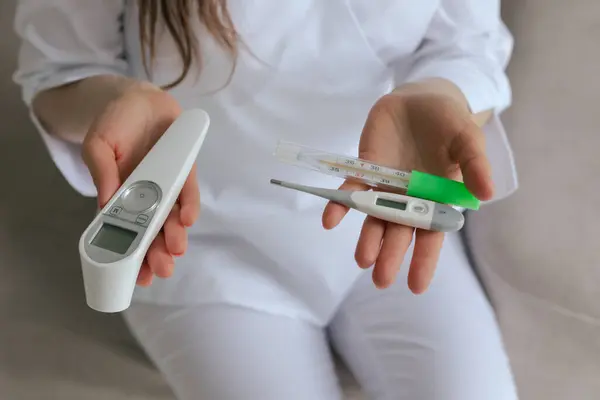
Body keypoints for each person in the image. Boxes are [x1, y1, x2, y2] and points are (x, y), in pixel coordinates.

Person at [13, 0, 519, 399]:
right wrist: (113, 101)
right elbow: (57, 70)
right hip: (203, 246)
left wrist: (442, 95)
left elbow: (468, 46)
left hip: (380, 218)